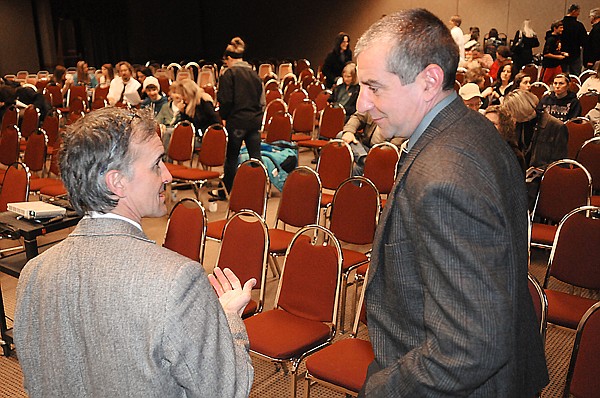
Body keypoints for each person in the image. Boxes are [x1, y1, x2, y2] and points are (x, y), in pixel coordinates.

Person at [354, 9, 548, 396]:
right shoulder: (471, 127)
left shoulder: (442, 177)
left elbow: (470, 345)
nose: (361, 104)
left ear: (429, 81)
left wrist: (381, 390)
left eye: (374, 87)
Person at [13, 107, 255, 397]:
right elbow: (227, 389)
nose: (167, 175)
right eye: (156, 164)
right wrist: (227, 321)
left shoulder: (34, 272)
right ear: (117, 182)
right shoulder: (176, 279)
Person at [217, 37, 264, 200]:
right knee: (256, 157)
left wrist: (223, 116)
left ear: (228, 58)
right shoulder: (254, 73)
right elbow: (261, 100)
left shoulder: (229, 74)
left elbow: (226, 100)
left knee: (232, 157)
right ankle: (260, 190)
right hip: (254, 120)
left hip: (237, 120)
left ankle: (226, 190)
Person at [503, 89, 568, 169]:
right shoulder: (518, 124)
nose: (512, 117)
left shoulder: (556, 126)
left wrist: (539, 171)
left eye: (512, 113)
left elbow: (560, 163)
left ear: (521, 110)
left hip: (543, 177)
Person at [337, 111, 404, 175]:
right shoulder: (375, 109)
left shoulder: (401, 122)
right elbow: (357, 117)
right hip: (365, 149)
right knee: (341, 135)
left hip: (381, 156)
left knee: (358, 167)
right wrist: (349, 132)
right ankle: (364, 159)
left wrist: (373, 156)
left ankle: (363, 162)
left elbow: (390, 149)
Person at [485, 105, 527, 172]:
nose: (487, 126)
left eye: (493, 123)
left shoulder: (514, 156)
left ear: (504, 127)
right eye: (485, 122)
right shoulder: (479, 148)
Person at [561, 3, 588, 76]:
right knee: (575, 76)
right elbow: (584, 41)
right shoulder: (579, 25)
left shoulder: (560, 24)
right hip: (575, 54)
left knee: (562, 75)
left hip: (561, 55)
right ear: (573, 11)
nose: (578, 14)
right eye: (578, 12)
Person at [541, 20, 568, 85]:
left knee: (560, 81)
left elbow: (555, 50)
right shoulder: (550, 39)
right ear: (555, 28)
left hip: (557, 65)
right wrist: (558, 57)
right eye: (560, 28)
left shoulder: (558, 38)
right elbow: (546, 54)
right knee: (545, 83)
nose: (562, 29)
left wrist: (562, 53)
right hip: (549, 66)